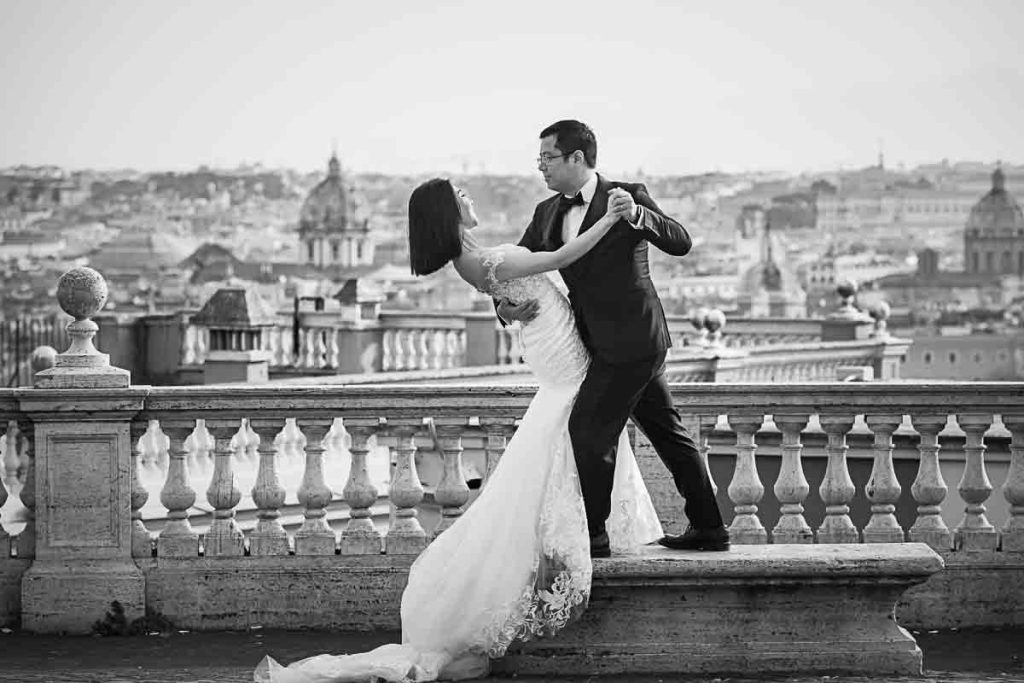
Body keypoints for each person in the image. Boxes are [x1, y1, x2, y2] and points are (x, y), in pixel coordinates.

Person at [254, 176, 663, 683]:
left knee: (568, 446)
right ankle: (584, 537)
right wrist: (611, 216)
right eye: (460, 195)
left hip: (559, 355)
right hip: (564, 363)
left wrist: (506, 306)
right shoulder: (481, 260)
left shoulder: (474, 258)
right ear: (448, 213)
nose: (471, 197)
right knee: (571, 444)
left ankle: (589, 532)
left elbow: (517, 284)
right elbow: (559, 259)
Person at [497, 119, 728, 557]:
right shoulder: (546, 212)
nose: (540, 167)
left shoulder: (628, 194)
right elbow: (516, 267)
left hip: (636, 338)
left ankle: (595, 536)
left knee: (587, 430)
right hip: (594, 343)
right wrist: (505, 308)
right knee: (668, 433)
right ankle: (709, 527)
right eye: (540, 159)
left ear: (576, 158)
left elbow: (681, 242)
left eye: (547, 158)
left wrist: (639, 216)